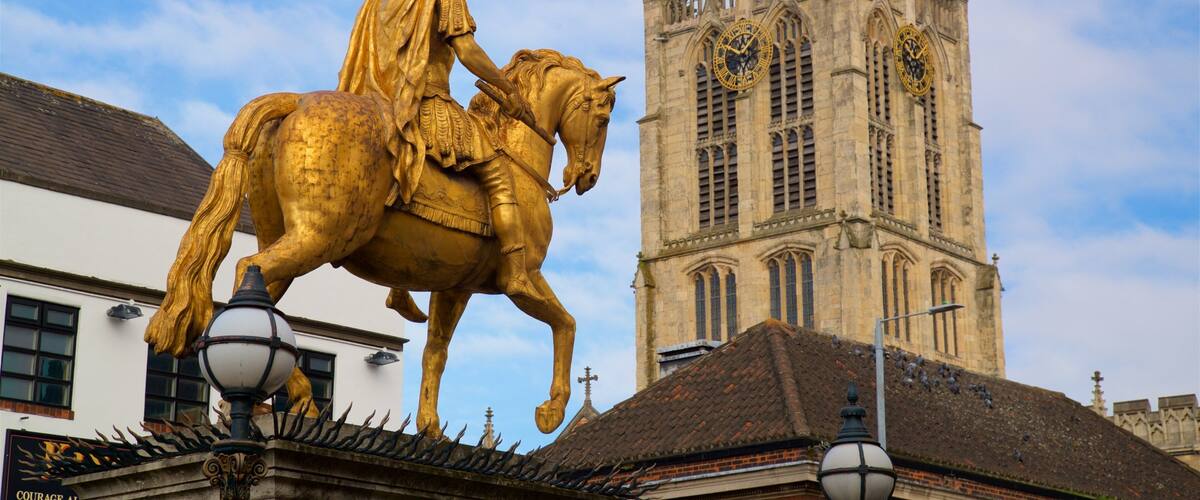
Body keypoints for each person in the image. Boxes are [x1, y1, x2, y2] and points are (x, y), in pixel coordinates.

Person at [337, 0, 540, 299]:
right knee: (499, 174)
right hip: (426, 102)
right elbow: (467, 50)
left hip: (379, 103)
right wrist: (509, 90)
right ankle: (517, 272)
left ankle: (400, 287)